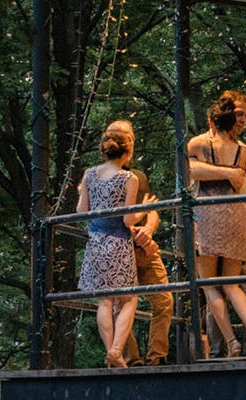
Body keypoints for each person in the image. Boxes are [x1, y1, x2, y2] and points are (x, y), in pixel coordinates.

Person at [187, 91, 246, 357]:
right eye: (241, 115)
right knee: (232, 283)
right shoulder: (243, 152)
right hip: (236, 217)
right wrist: (235, 173)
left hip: (208, 215)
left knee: (209, 285)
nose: (244, 120)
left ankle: (231, 342)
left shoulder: (198, 145)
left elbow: (187, 170)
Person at [96, 121, 171, 367]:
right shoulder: (98, 175)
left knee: (164, 300)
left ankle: (156, 358)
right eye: (121, 136)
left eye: (129, 136)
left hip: (144, 248)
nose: (127, 140)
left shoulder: (138, 176)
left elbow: (151, 207)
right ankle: (130, 358)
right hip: (118, 249)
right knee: (119, 304)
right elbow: (98, 216)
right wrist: (132, 228)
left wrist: (147, 230)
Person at [77, 121, 151, 368]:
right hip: (119, 242)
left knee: (105, 301)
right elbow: (128, 219)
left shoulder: (89, 175)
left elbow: (81, 211)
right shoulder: (129, 178)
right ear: (128, 151)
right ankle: (118, 349)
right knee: (129, 298)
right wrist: (144, 210)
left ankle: (111, 353)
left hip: (96, 241)